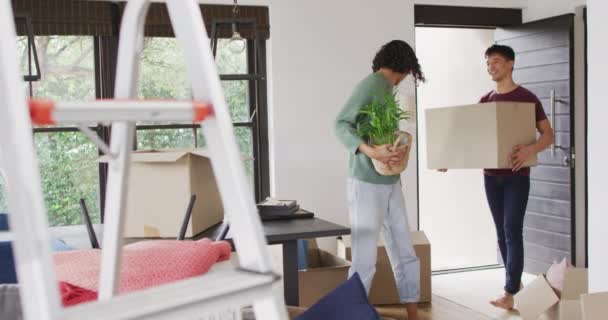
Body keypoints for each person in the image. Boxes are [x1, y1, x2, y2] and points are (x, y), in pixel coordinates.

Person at [439, 44, 554, 310]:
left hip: (517, 176)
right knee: (502, 235)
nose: (492, 66)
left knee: (512, 230)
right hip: (491, 177)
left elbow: (548, 135)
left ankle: (510, 290)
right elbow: (469, 136)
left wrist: (530, 149)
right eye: (488, 63)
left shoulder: (527, 97)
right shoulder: (486, 100)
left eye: (497, 61)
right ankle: (514, 286)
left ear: (511, 63)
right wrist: (448, 159)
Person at [334, 40, 425, 320]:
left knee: (404, 248)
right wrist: (372, 151)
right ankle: (352, 315)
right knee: (365, 257)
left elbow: (383, 133)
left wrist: (396, 151)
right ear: (406, 66)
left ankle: (413, 312)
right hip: (365, 181)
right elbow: (340, 123)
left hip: (389, 181)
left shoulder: (386, 89)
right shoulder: (371, 84)